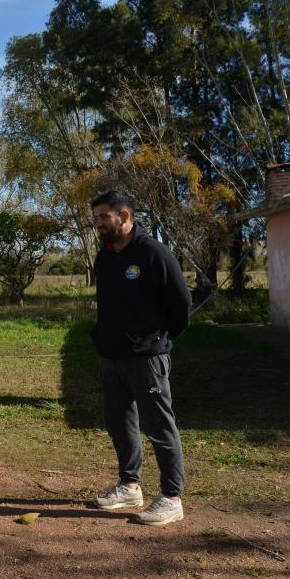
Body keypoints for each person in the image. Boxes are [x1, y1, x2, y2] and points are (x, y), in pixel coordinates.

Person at [90, 190, 192, 526]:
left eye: (103, 217)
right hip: (111, 357)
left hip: (147, 358)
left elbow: (181, 304)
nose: (98, 224)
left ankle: (171, 497)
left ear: (125, 215)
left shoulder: (153, 253)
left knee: (158, 426)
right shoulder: (104, 257)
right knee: (119, 424)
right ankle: (130, 485)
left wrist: (157, 339)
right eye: (96, 218)